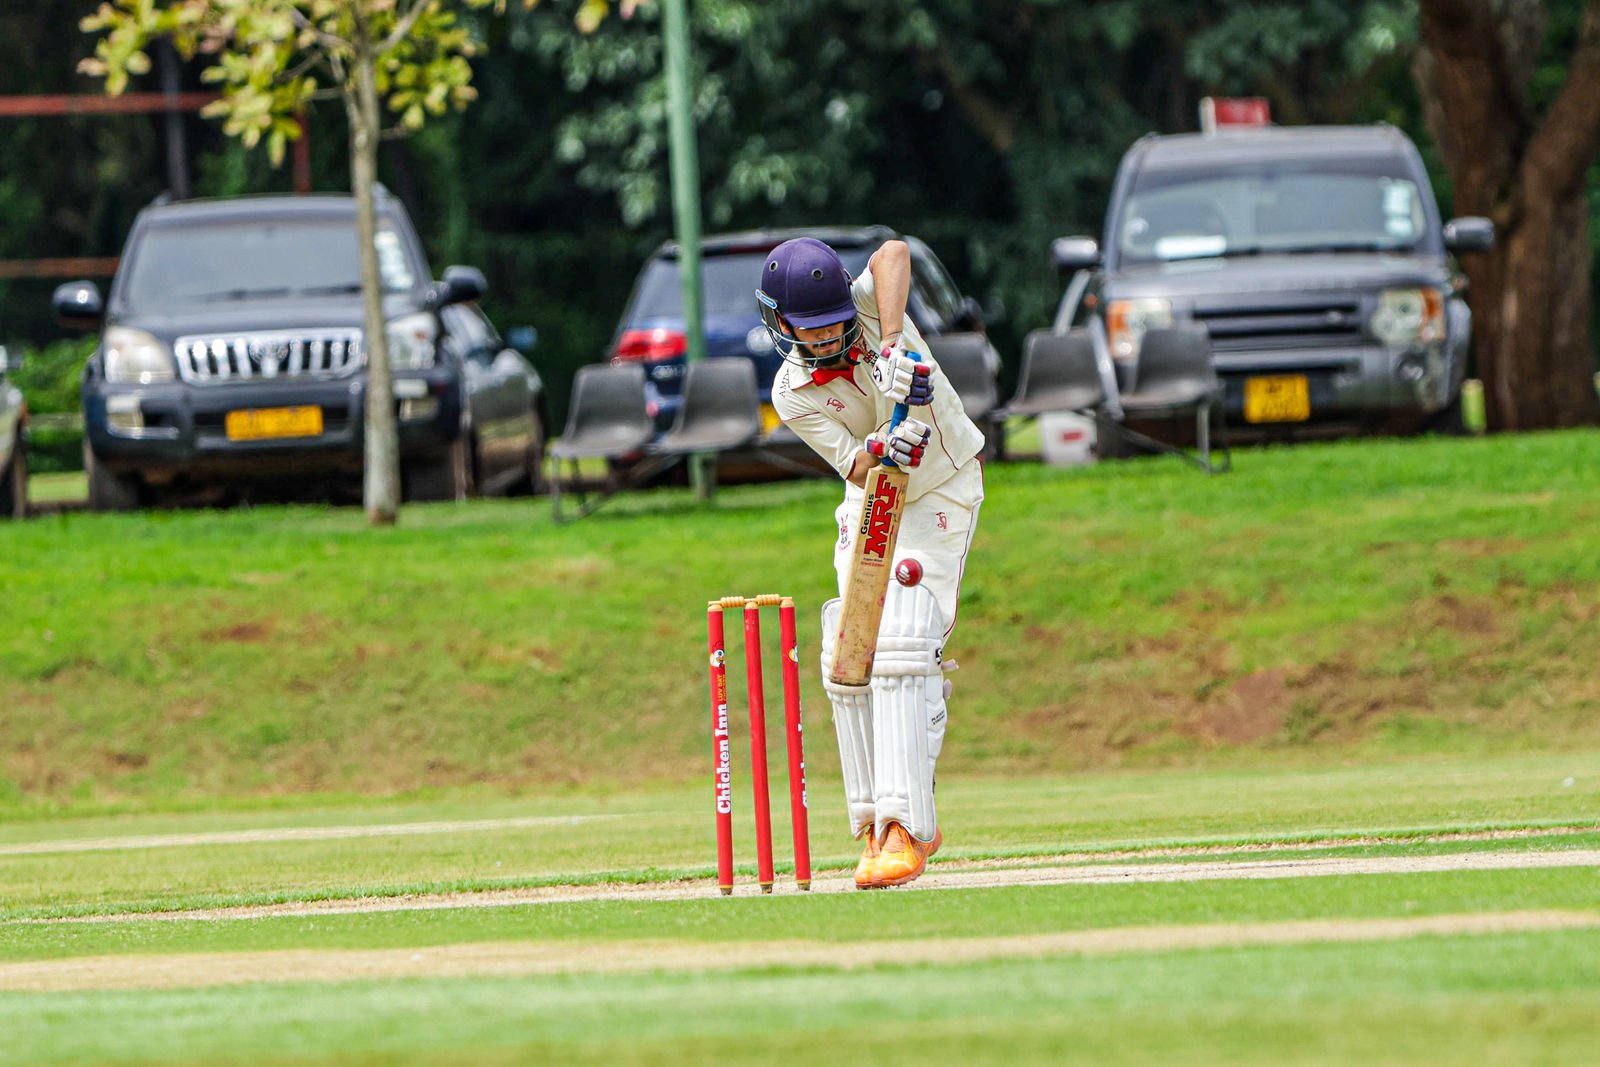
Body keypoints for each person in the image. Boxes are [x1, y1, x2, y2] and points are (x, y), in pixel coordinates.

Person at [757, 236, 985, 889]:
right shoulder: (791, 391)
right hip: (874, 494)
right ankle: (873, 823)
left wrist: (890, 344)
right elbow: (856, 466)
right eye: (810, 327)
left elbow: (892, 252)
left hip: (939, 489)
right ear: (781, 323)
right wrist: (886, 443)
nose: (827, 336)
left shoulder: (865, 306)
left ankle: (905, 829)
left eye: (832, 322)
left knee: (906, 641)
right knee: (849, 652)